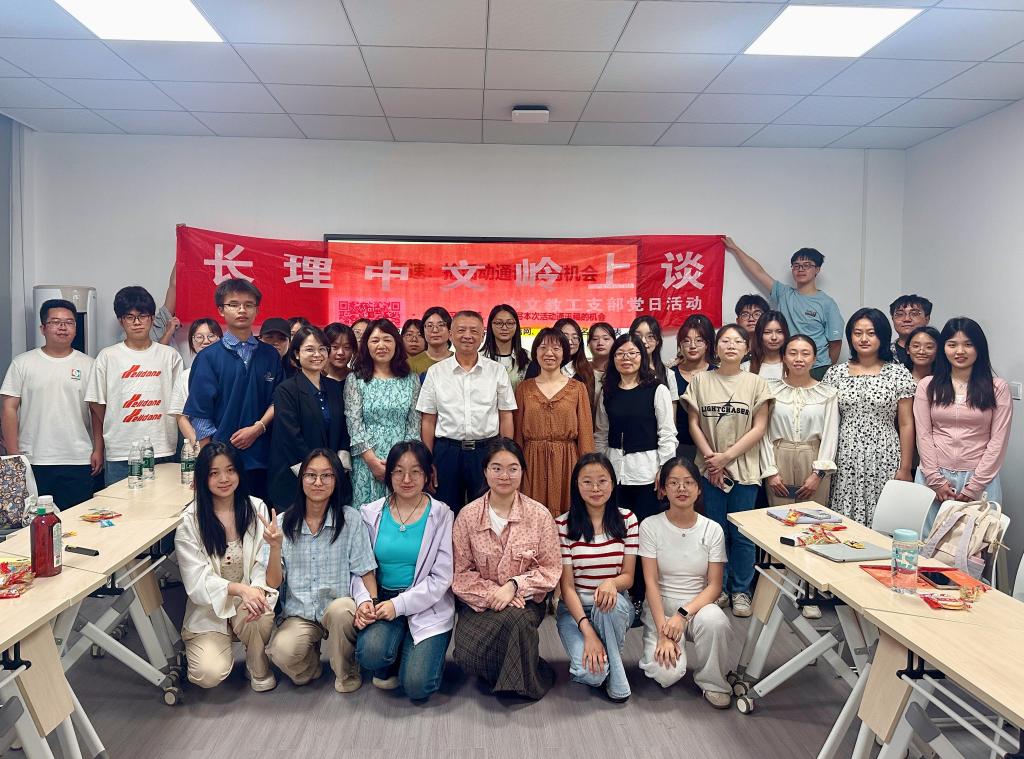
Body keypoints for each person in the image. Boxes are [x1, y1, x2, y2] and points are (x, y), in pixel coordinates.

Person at [451, 438, 560, 700]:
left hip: (526, 602)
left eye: (513, 468)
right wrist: (495, 594)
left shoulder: (539, 515)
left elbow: (551, 569)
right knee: (465, 655)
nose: (504, 476)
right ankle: (526, 666)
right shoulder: (468, 516)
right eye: (496, 468)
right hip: (481, 602)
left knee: (516, 622)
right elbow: (460, 574)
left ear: (522, 472)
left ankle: (524, 683)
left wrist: (514, 586)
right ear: (485, 471)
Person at [262, 448, 377, 693]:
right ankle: (311, 665)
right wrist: (275, 547)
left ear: (336, 480)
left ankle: (347, 670)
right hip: (300, 614)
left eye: (326, 475)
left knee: (341, 611)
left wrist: (373, 604)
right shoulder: (281, 523)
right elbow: (272, 583)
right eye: (311, 475)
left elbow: (365, 569)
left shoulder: (350, 519)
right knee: (281, 652)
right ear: (301, 479)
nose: (318, 482)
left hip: (338, 609)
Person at [353, 441, 454, 701]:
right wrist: (364, 601)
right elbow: (359, 567)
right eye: (398, 471)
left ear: (428, 475)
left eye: (415, 472)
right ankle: (396, 648)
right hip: (381, 599)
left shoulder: (442, 514)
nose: (406, 479)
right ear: (388, 474)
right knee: (370, 654)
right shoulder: (370, 513)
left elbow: (441, 578)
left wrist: (399, 606)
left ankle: (419, 651)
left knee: (417, 687)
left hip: (425, 603)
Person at [682, 323, 772, 617]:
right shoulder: (700, 381)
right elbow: (693, 424)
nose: (731, 346)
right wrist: (712, 460)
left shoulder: (756, 383)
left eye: (738, 341)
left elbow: (760, 427)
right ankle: (717, 588)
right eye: (725, 341)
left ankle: (741, 590)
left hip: (744, 470)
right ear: (715, 347)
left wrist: (726, 458)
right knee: (714, 532)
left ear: (747, 348)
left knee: (742, 535)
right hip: (709, 472)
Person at [174, 442, 277, 691]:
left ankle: (257, 662)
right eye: (214, 473)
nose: (224, 479)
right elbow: (197, 581)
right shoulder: (190, 520)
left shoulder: (256, 508)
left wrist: (256, 590)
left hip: (248, 603)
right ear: (202, 478)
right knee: (208, 674)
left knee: (260, 611)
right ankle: (208, 645)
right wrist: (240, 589)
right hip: (208, 610)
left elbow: (262, 563)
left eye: (230, 470)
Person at [637, 457, 731, 709]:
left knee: (715, 620)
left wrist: (682, 615)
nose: (681, 488)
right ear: (663, 489)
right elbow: (651, 583)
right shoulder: (650, 526)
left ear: (699, 489)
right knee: (666, 675)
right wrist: (663, 632)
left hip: (696, 607)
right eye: (674, 483)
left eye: (688, 482)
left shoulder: (712, 529)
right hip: (660, 608)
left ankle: (713, 681)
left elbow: (714, 586)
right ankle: (663, 647)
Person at [594, 333, 676, 614]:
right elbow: (601, 433)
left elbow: (667, 433)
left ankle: (642, 594)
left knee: (643, 537)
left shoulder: (656, 389)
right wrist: (600, 469)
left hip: (647, 474)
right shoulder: (608, 391)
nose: (626, 358)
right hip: (614, 475)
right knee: (617, 534)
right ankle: (619, 592)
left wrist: (665, 471)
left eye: (632, 353)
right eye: (620, 354)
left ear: (643, 356)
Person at [184, 278, 282, 500]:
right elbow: (200, 414)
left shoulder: (270, 355)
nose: (242, 310)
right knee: (224, 517)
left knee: (259, 516)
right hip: (222, 464)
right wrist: (208, 461)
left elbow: (278, 401)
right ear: (221, 310)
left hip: (262, 459)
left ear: (257, 310)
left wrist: (258, 428)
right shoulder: (208, 357)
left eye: (249, 305)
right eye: (234, 304)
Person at [1, 299, 102, 508]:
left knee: (77, 520)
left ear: (75, 328)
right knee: (33, 521)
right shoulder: (22, 363)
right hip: (33, 459)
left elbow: (95, 411)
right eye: (55, 322)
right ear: (43, 328)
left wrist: (98, 449)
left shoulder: (89, 365)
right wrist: (13, 454)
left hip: (77, 458)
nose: (63, 327)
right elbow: (9, 408)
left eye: (69, 322)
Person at [915, 318, 1012, 532]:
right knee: (926, 543)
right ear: (943, 349)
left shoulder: (997, 388)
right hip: (933, 477)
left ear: (979, 348)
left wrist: (975, 486)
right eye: (952, 344)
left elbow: (998, 440)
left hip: (980, 478)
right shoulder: (927, 386)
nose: (960, 351)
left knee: (975, 546)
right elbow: (923, 435)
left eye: (968, 344)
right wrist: (935, 480)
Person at [555, 453, 638, 702]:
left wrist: (611, 583)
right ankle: (608, 661)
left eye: (602, 481)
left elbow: (628, 577)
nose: (595, 488)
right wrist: (588, 633)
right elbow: (567, 588)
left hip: (615, 606)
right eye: (587, 482)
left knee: (606, 605)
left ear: (612, 483)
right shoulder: (562, 525)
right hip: (575, 612)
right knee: (591, 674)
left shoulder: (628, 519)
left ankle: (618, 681)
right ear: (576, 485)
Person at [822, 308, 916, 526]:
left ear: (882, 336)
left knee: (884, 517)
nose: (864, 339)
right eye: (857, 333)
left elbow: (906, 424)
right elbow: (827, 422)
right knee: (845, 517)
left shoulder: (898, 373)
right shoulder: (835, 373)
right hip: (845, 454)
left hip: (884, 454)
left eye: (871, 333)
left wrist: (905, 468)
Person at [417, 311, 516, 511]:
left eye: (474, 331)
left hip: (487, 451)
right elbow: (428, 420)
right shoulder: (436, 372)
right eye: (461, 330)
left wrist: (505, 456)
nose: (467, 336)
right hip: (447, 452)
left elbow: (506, 416)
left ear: (483, 335)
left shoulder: (496, 370)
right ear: (451, 334)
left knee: (486, 510)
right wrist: (428, 460)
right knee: (445, 510)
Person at [86, 286, 182, 485]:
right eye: (130, 317)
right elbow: (96, 402)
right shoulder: (108, 356)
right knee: (119, 503)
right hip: (121, 451)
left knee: (164, 502)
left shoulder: (169, 356)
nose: (137, 322)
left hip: (162, 448)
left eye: (142, 316)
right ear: (121, 321)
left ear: (152, 318)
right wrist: (115, 418)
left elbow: (179, 401)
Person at [725, 237, 843, 380]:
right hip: (788, 365)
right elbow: (758, 272)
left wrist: (825, 369)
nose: (801, 269)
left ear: (817, 269)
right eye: (796, 265)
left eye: (807, 265)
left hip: (817, 367)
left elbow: (835, 343)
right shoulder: (784, 294)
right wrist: (735, 249)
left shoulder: (827, 303)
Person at [513, 328, 594, 517]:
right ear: (535, 352)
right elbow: (517, 436)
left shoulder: (578, 388)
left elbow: (585, 434)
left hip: (567, 462)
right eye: (543, 347)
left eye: (556, 348)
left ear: (564, 353)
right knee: (532, 516)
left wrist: (588, 471)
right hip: (532, 462)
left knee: (568, 517)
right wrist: (516, 467)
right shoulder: (524, 389)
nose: (549, 353)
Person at [268, 326, 350, 509]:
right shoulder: (286, 390)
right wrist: (315, 473)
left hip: (332, 477)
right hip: (295, 478)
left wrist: (335, 469)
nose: (317, 355)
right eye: (310, 349)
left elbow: (344, 429)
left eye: (322, 349)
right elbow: (291, 438)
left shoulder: (335, 387)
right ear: (297, 354)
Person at [345, 319, 421, 508]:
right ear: (366, 345)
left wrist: (404, 461)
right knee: (367, 513)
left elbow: (414, 424)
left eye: (387, 340)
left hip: (403, 461)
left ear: (396, 343)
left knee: (402, 511)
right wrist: (371, 461)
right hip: (367, 460)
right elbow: (354, 423)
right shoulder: (356, 379)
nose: (381, 346)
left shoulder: (411, 380)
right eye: (375, 340)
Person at [761, 335, 839, 508]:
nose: (798, 359)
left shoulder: (828, 393)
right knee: (779, 516)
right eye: (792, 353)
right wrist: (770, 472)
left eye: (805, 353)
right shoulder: (769, 390)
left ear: (814, 358)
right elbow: (763, 433)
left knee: (814, 517)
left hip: (814, 458)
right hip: (778, 458)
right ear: (784, 357)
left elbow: (830, 436)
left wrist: (818, 474)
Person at [169, 318, 222, 445]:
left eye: (211, 336)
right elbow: (180, 415)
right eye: (199, 337)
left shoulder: (230, 371)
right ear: (192, 342)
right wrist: (198, 444)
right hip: (198, 445)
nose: (206, 341)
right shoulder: (184, 376)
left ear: (221, 339)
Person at [671, 315, 715, 461]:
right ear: (680, 345)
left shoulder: (717, 374)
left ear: (707, 344)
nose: (692, 346)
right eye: (686, 341)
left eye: (699, 340)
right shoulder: (670, 374)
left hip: (711, 447)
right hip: (679, 446)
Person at [482, 304, 529, 389]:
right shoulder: (479, 358)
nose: (504, 328)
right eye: (499, 323)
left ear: (516, 326)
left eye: (509, 323)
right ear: (490, 325)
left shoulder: (528, 357)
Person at [630, 315, 677, 400]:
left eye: (650, 336)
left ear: (657, 341)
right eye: (637, 336)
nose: (643, 341)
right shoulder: (624, 369)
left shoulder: (668, 374)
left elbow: (672, 406)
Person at [555, 318, 596, 408]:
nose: (570, 342)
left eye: (575, 337)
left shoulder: (586, 370)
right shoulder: (539, 367)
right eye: (565, 336)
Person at [744, 310, 789, 381]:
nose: (774, 337)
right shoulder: (745, 368)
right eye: (767, 332)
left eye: (779, 332)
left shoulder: (793, 366)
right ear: (759, 335)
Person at [889, 294, 933, 367]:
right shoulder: (884, 353)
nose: (907, 319)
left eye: (914, 314)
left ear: (927, 319)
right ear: (892, 319)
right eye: (900, 314)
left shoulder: (939, 352)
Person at [409, 306, 454, 375]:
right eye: (430, 326)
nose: (435, 330)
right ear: (423, 331)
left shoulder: (459, 361)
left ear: (450, 330)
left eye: (441, 325)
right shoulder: (410, 364)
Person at [587, 322, 616, 397]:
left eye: (606, 339)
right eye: (595, 339)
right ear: (588, 344)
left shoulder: (620, 370)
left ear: (615, 343)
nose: (600, 343)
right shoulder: (581, 369)